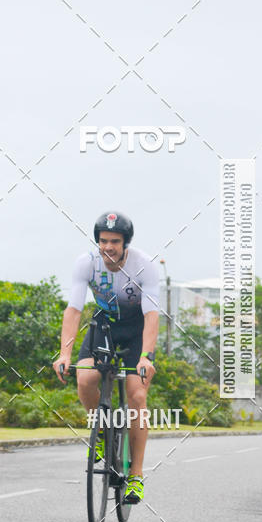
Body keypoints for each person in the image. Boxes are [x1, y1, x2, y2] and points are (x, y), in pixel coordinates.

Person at [53, 211, 159, 505]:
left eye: (114, 241)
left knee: (137, 397)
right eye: (103, 241)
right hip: (104, 327)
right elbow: (73, 310)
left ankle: (135, 476)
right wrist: (65, 353)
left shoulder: (144, 266)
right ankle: (102, 431)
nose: (108, 247)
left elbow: (152, 316)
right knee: (85, 377)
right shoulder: (87, 263)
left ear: (126, 243)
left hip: (136, 331)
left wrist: (146, 357)